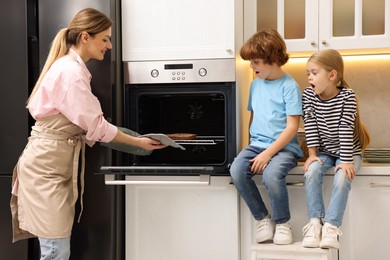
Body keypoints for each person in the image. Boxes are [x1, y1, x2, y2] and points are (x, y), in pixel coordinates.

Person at [10, 8, 166, 260]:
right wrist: (137, 143)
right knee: (55, 252)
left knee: (56, 250)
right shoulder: (70, 73)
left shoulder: (73, 69)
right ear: (85, 37)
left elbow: (92, 126)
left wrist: (136, 140)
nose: (109, 45)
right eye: (104, 38)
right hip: (45, 170)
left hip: (52, 168)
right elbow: (98, 127)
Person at [230, 29, 303, 245]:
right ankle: (263, 219)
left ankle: (282, 223)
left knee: (271, 175)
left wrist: (267, 154)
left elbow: (292, 128)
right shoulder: (255, 84)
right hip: (257, 145)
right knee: (236, 171)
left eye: (256, 61)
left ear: (273, 59)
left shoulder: (290, 87)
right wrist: (249, 148)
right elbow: (253, 118)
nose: (251, 66)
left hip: (284, 149)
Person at [301, 49, 370, 249]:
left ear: (332, 75)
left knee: (342, 177)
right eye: (308, 73)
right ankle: (315, 223)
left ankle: (331, 226)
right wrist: (312, 155)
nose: (309, 78)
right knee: (312, 170)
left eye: (314, 73)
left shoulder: (347, 96)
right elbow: (310, 125)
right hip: (324, 152)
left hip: (348, 152)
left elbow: (345, 129)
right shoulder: (309, 95)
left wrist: (346, 161)